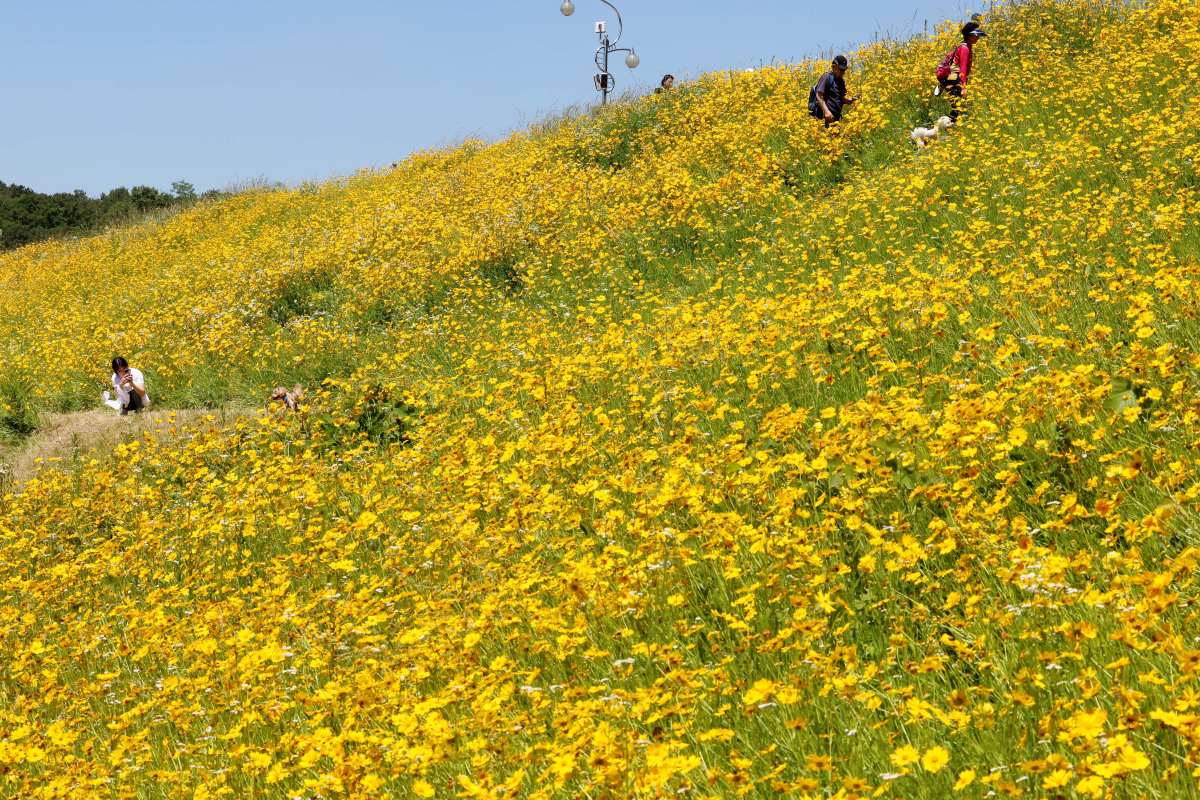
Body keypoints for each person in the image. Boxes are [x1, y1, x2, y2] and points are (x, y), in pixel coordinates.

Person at [937, 21, 987, 123]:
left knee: (958, 109)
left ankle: (944, 129)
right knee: (958, 110)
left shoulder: (964, 46)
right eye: (975, 35)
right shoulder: (965, 48)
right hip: (955, 81)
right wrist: (964, 87)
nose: (978, 38)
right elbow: (962, 69)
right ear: (969, 35)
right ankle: (939, 129)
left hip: (952, 80)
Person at [810, 55, 859, 127]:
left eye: (844, 69)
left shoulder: (841, 80)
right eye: (841, 69)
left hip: (835, 116)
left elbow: (840, 97)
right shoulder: (827, 77)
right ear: (833, 66)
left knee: (835, 136)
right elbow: (819, 95)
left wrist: (846, 101)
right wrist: (826, 111)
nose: (843, 72)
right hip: (824, 116)